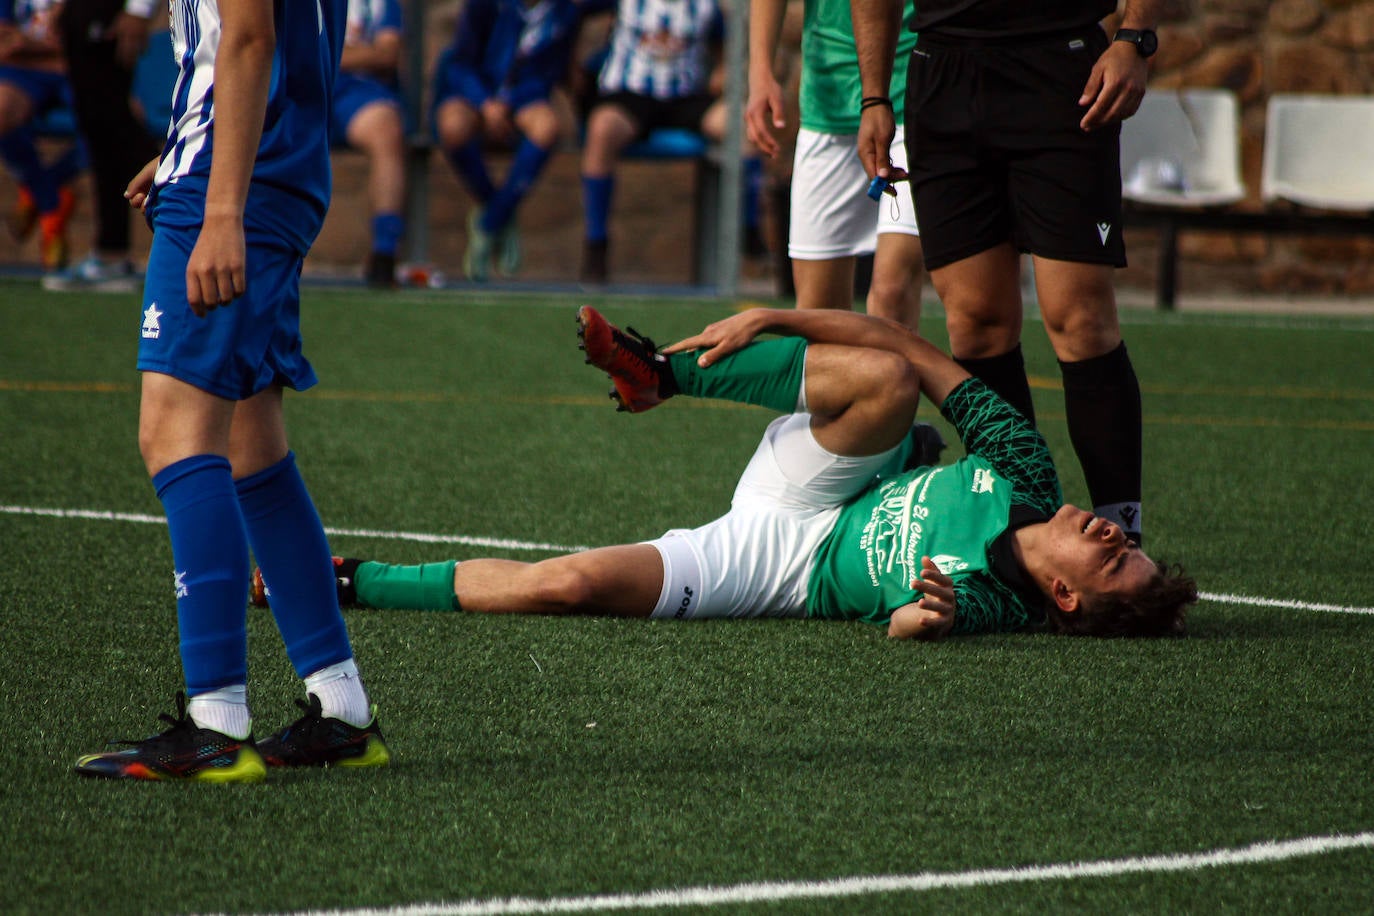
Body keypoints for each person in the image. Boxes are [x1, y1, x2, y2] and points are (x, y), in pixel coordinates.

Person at [268, 307, 1194, 640]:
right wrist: (772, 316)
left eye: (1115, 562)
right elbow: (904, 342)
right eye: (1124, 541)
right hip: (823, 485)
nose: (1113, 532)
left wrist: (925, 618)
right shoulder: (1024, 467)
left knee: (574, 583)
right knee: (887, 379)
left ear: (1066, 599)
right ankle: (657, 376)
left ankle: (342, 579)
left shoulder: (999, 603)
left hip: (777, 567)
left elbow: (914, 625)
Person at [74, 0, 389, 782]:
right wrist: (192, 147)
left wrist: (219, 204)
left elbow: (250, 35)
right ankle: (341, 710)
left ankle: (214, 721)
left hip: (238, 182)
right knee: (251, 443)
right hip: (263, 167)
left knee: (176, 434)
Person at [849, 0, 1160, 545]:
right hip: (940, 76)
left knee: (1080, 321)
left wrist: (1134, 37)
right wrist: (874, 95)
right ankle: (1025, 533)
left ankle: (1123, 541)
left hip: (1062, 69)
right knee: (976, 324)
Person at [746, 0, 923, 326]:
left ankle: (895, 378)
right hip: (828, 97)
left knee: (892, 292)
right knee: (819, 314)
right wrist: (760, 72)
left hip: (916, 96)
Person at [579, 0, 762, 284]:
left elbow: (725, 45)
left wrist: (723, 71)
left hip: (685, 96)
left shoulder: (706, 6)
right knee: (602, 130)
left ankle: (748, 230)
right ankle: (596, 245)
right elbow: (572, 13)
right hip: (629, 95)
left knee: (743, 128)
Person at [433, 0, 613, 282]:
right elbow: (460, 64)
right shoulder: (485, 6)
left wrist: (509, 102)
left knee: (547, 126)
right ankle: (500, 210)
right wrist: (486, 104)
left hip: (527, 97)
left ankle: (489, 222)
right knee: (452, 125)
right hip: (477, 95)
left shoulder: (565, 9)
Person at [42, 0, 160, 292]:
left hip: (109, 11)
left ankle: (195, 226)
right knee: (97, 130)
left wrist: (140, 8)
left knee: (115, 124)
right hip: (81, 13)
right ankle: (111, 252)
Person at [0, 0, 83, 274]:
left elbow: (89, 38)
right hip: (23, 71)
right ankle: (51, 205)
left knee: (119, 122)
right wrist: (52, 50)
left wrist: (31, 46)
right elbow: (5, 41)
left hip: (78, 70)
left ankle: (41, 193)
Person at [333, 0, 407, 288]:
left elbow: (387, 54)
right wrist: (364, 53)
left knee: (387, 130)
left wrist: (331, 54)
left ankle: (384, 253)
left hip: (356, 94)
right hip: (300, 86)